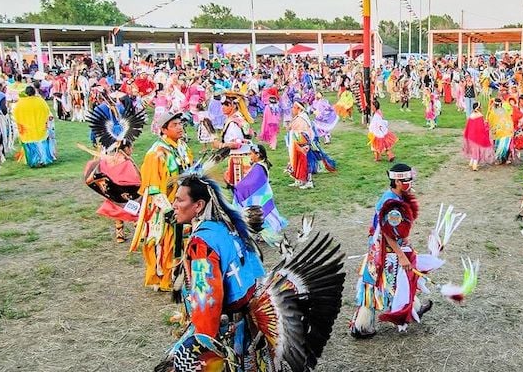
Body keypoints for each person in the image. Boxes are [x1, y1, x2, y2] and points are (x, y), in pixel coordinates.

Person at [156, 173, 344, 372]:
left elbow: (206, 302)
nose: (174, 204)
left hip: (224, 329)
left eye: (180, 200)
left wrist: (202, 348)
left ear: (199, 206)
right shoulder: (225, 226)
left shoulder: (201, 244)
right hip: (246, 321)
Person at [350, 163, 432, 338]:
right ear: (397, 181)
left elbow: (393, 230)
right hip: (385, 251)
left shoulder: (396, 197)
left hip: (385, 248)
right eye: (407, 180)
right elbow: (387, 233)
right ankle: (362, 326)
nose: (410, 183)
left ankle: (413, 308)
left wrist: (403, 241)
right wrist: (401, 255)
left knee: (394, 280)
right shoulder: (391, 203)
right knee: (379, 283)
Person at [130, 112, 193, 292]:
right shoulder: (156, 153)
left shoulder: (182, 147)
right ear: (164, 130)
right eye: (174, 125)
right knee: (164, 242)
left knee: (184, 239)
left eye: (180, 124)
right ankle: (164, 278)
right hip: (163, 207)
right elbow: (153, 188)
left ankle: (182, 274)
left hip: (184, 203)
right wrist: (168, 210)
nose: (180, 127)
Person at [84, 103, 145, 243]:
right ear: (126, 147)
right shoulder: (126, 162)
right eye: (131, 147)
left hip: (113, 193)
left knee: (117, 207)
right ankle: (138, 231)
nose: (132, 150)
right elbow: (135, 181)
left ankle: (120, 234)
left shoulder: (107, 160)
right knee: (134, 206)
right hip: (127, 195)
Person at [213, 93, 254, 190]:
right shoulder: (240, 118)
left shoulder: (233, 122)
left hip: (239, 159)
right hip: (245, 156)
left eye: (226, 105)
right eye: (222, 105)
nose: (223, 107)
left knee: (240, 188)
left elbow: (237, 144)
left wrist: (219, 145)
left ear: (234, 106)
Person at [13, 86, 56, 168]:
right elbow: (46, 112)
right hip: (39, 127)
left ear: (26, 93)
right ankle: (42, 160)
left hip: (27, 129)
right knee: (40, 143)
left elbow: (15, 115)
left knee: (30, 144)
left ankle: (34, 161)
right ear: (34, 92)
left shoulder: (20, 103)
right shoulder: (40, 101)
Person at [461, 102, 493, 171]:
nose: (481, 108)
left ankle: (471, 162)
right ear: (478, 108)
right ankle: (474, 165)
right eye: (480, 106)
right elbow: (481, 127)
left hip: (471, 136)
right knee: (476, 151)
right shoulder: (479, 116)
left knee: (474, 150)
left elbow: (468, 126)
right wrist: (486, 125)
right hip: (477, 137)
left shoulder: (471, 115)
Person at [487, 98, 513, 164]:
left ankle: (501, 159)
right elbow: (509, 120)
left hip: (501, 131)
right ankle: (502, 159)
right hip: (504, 130)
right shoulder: (502, 111)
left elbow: (490, 121)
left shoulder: (494, 112)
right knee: (503, 146)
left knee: (500, 145)